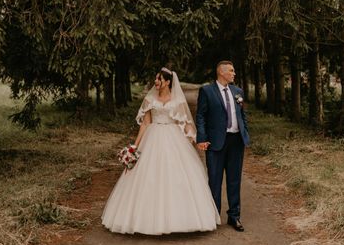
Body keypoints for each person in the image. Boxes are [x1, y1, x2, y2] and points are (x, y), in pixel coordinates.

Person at [101, 68, 220, 235]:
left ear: (168, 81)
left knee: (178, 176)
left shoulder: (177, 100)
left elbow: (186, 124)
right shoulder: (150, 99)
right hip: (153, 137)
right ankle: (144, 220)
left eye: (159, 79)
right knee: (146, 176)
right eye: (155, 79)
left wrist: (197, 140)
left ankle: (180, 220)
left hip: (173, 138)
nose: (156, 82)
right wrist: (135, 146)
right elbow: (145, 123)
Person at [196, 61, 250, 232]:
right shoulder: (207, 91)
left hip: (236, 141)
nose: (234, 73)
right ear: (221, 72)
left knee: (234, 180)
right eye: (231, 70)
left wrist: (245, 133)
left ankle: (234, 217)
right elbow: (201, 116)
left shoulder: (238, 91)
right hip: (216, 142)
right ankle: (213, 216)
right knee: (214, 180)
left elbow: (242, 114)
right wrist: (202, 138)